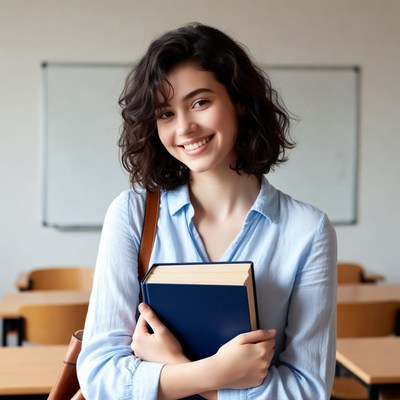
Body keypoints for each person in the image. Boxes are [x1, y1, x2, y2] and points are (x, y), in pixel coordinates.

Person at [77, 23, 337, 399]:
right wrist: (219, 373)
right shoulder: (132, 215)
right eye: (165, 113)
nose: (185, 127)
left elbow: (308, 392)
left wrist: (179, 369)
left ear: (240, 101)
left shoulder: (307, 230)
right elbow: (100, 376)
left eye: (200, 102)